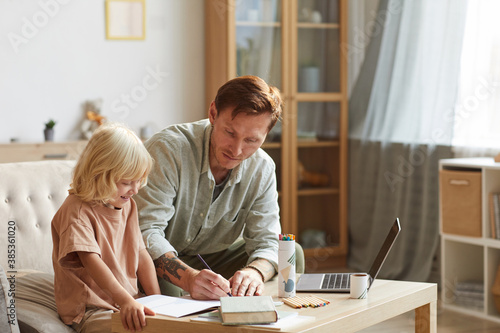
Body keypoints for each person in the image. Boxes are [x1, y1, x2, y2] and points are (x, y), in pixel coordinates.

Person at [135, 75, 305, 300]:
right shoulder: (167, 150)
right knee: (167, 293)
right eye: (230, 133)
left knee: (292, 255)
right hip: (157, 257)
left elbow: (267, 240)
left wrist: (254, 273)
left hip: (212, 257)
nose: (236, 150)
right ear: (213, 114)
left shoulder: (262, 168)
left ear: (266, 135)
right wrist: (188, 278)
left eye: (251, 141)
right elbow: (146, 232)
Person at [51, 123, 161, 333]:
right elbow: (92, 262)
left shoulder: (128, 206)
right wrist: (125, 301)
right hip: (91, 309)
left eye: (139, 180)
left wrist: (158, 300)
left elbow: (141, 253)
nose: (135, 189)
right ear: (99, 174)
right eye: (128, 181)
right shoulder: (76, 210)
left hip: (127, 301)